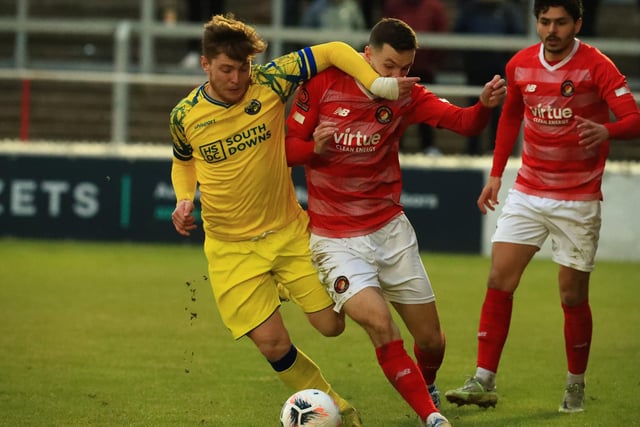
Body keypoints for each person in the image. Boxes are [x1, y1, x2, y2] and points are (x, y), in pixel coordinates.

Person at [169, 13, 416, 427]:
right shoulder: (184, 116)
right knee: (271, 344)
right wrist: (182, 198)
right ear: (205, 65)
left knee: (332, 326)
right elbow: (183, 162)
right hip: (231, 250)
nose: (236, 78)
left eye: (242, 67)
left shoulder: (268, 81)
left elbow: (335, 51)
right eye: (226, 69)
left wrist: (380, 84)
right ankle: (337, 410)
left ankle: (288, 285)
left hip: (287, 234)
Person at [285, 17, 506, 427]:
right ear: (365, 56)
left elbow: (463, 122)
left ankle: (426, 384)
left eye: (405, 68)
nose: (397, 76)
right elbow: (285, 147)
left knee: (431, 341)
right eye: (388, 67)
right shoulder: (322, 84)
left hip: (390, 232)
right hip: (335, 240)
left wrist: (483, 107)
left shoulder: (406, 96)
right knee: (380, 324)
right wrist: (311, 147)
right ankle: (432, 417)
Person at [444, 0, 640, 413]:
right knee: (499, 278)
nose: (551, 30)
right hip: (529, 190)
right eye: (545, 21)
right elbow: (511, 116)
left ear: (577, 24)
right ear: (536, 22)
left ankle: (575, 384)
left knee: (571, 296)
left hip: (578, 197)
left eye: (561, 22)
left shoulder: (597, 66)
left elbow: (633, 118)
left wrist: (605, 130)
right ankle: (483, 380)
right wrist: (497, 173)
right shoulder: (519, 64)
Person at [454, 0, 525, 155]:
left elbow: (517, 35)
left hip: (497, 67)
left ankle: (495, 149)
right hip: (473, 67)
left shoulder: (507, 11)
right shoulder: (469, 9)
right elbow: (457, 32)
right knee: (473, 108)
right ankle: (472, 149)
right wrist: (469, 56)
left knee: (496, 110)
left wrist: (505, 60)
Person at [383, 0, 449, 155]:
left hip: (425, 67)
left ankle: (428, 146)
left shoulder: (434, 6)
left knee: (426, 106)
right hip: (397, 69)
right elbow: (384, 32)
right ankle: (395, 145)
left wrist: (432, 61)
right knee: (395, 107)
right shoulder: (393, 5)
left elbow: (442, 33)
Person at [302, 0, 367, 32]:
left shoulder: (352, 7)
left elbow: (360, 28)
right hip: (322, 49)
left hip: (347, 49)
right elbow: (306, 28)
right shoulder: (317, 6)